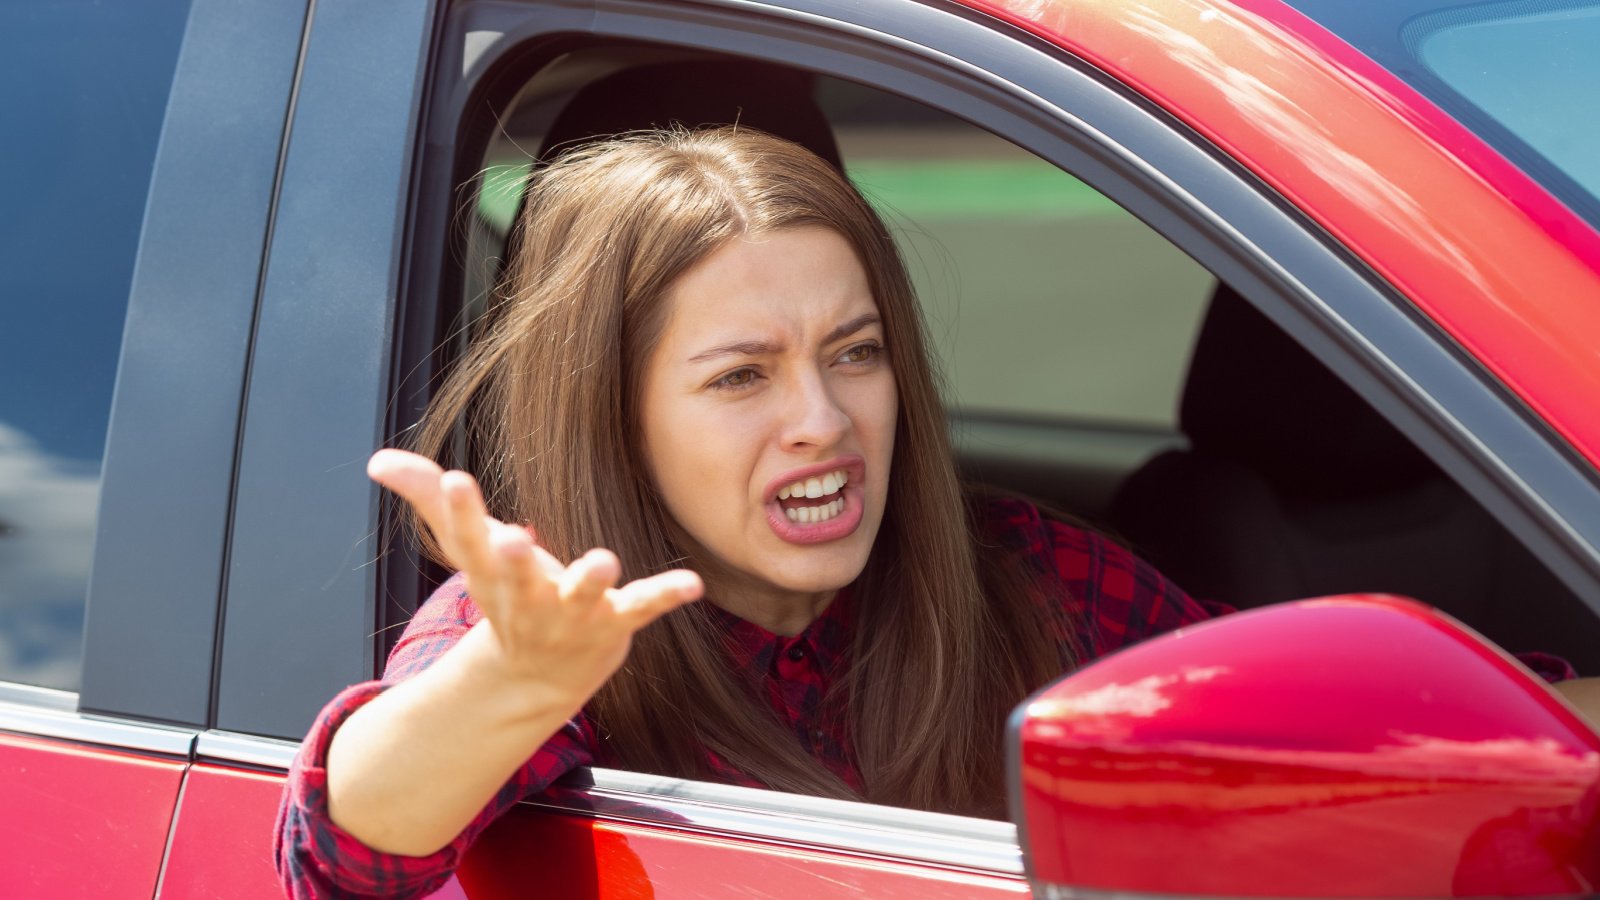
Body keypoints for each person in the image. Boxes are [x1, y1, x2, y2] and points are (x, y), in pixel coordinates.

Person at [274, 126, 1589, 899]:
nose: (824, 419)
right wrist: (511, 683)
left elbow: (1331, 727)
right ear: (615, 419)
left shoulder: (1023, 571)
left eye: (855, 352)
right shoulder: (550, 630)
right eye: (742, 375)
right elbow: (347, 849)